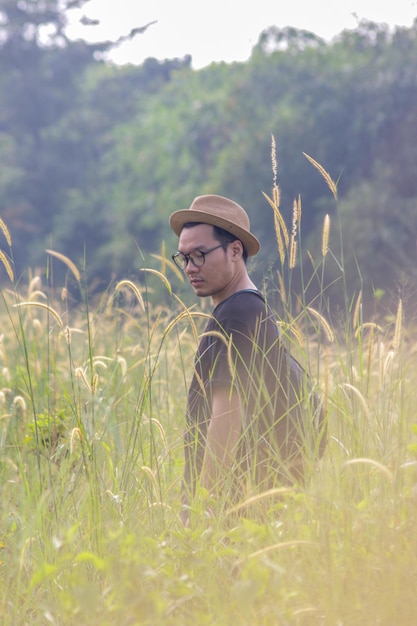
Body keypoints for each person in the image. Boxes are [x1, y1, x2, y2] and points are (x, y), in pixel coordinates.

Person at [169, 194, 325, 520]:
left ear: (235, 250)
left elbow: (226, 417)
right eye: (183, 258)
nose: (190, 268)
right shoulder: (248, 311)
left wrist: (204, 509)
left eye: (199, 255)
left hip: (231, 515)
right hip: (251, 513)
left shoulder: (240, 314)